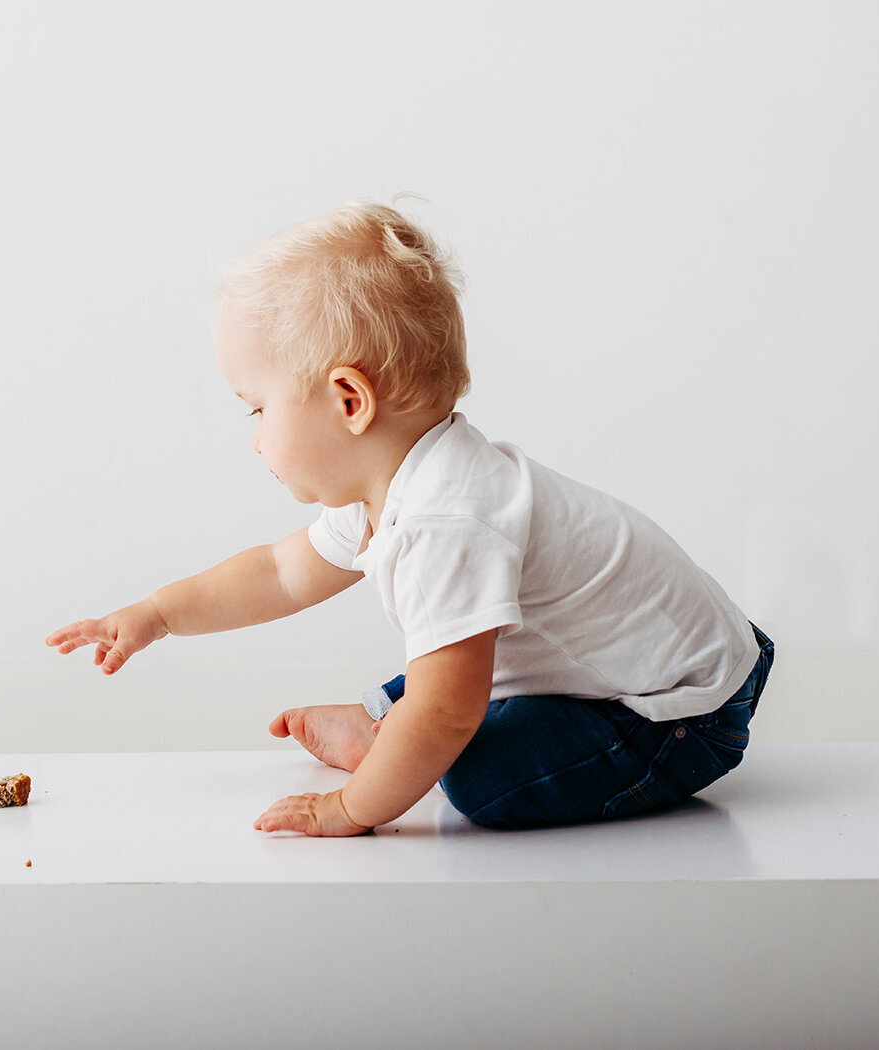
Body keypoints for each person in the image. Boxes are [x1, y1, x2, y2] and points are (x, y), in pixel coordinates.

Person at [45, 200, 774, 837]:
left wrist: (351, 807)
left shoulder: (446, 517)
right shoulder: (393, 482)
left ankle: (381, 738)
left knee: (475, 781)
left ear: (349, 401)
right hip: (617, 669)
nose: (257, 436)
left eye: (259, 408)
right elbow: (278, 573)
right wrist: (157, 614)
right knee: (443, 675)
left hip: (677, 712)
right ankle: (379, 726)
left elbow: (447, 713)